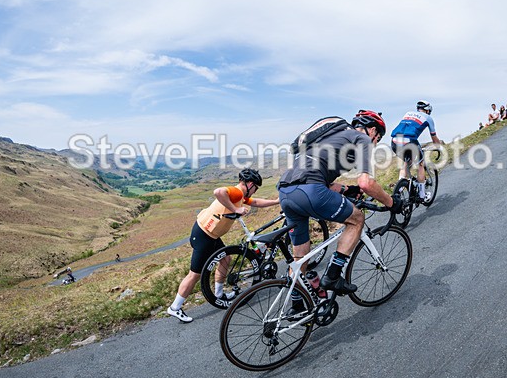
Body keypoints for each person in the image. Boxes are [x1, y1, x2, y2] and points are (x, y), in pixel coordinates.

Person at [277, 110, 401, 312]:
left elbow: (326, 182)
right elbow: (366, 182)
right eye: (378, 138)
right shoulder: (361, 139)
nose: (376, 142)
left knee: (300, 257)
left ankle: (297, 305)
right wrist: (391, 203)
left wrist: (348, 189)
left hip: (286, 192)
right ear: (372, 130)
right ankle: (333, 276)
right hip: (311, 190)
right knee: (356, 219)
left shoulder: (330, 139)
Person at [166, 168, 280, 323]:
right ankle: (175, 307)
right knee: (194, 274)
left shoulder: (240, 195)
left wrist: (276, 201)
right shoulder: (237, 192)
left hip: (211, 236)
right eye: (255, 188)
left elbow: (256, 202)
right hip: (203, 235)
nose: (255, 191)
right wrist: (235, 209)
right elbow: (218, 191)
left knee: (225, 260)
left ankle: (219, 294)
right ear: (250, 184)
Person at [389, 100, 443, 202]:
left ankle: (399, 190)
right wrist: (438, 147)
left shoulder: (408, 113)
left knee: (406, 162)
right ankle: (422, 195)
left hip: (394, 140)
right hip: (409, 141)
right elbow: (434, 137)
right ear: (427, 110)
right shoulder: (428, 118)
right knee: (420, 165)